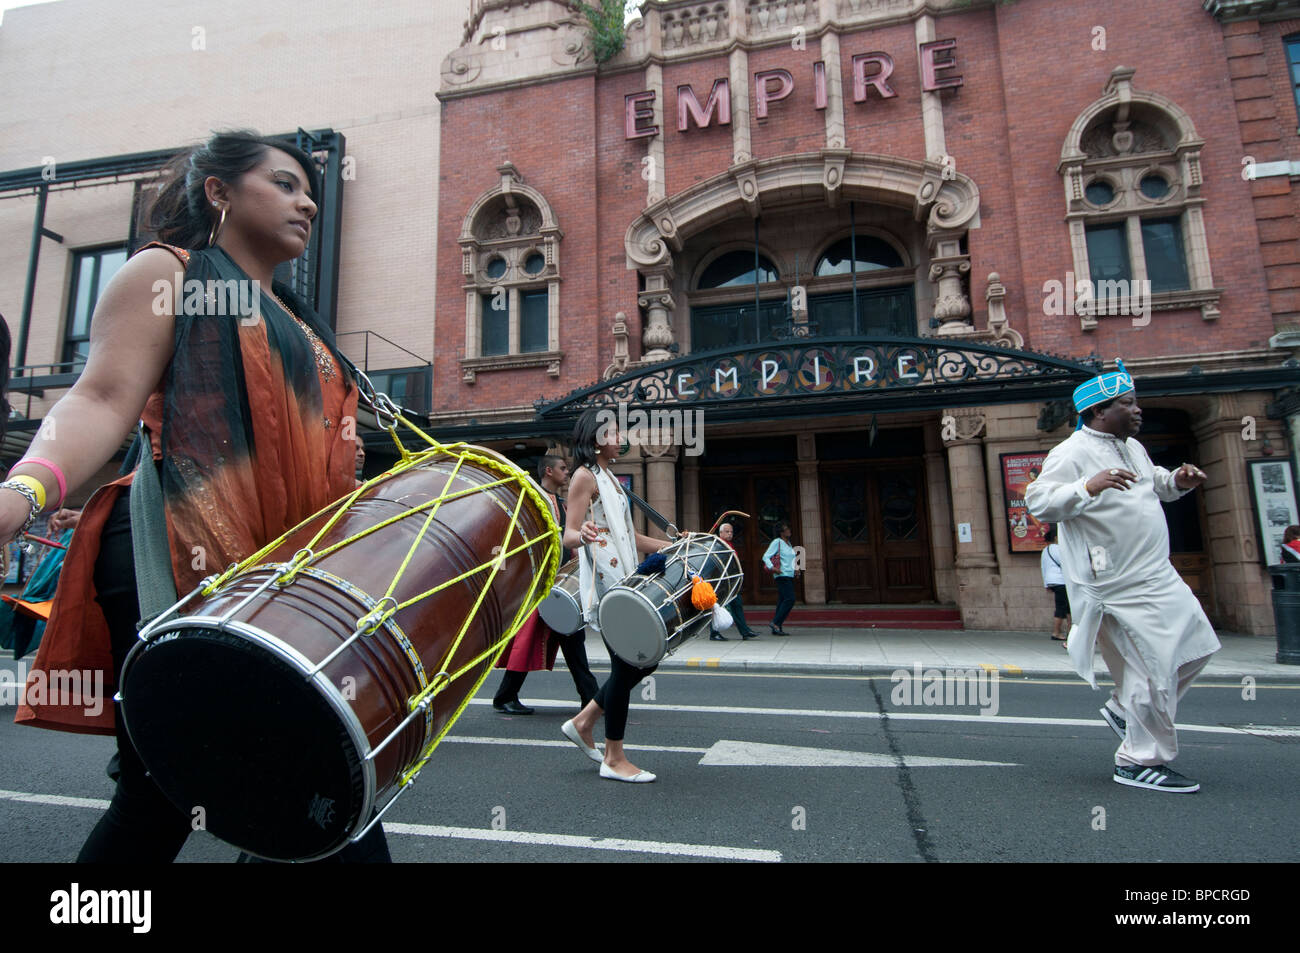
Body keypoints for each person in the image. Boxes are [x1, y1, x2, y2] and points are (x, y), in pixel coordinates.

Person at [6, 130, 390, 860]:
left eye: (310, 189)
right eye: (283, 183)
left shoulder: (308, 328)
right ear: (218, 191)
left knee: (287, 789)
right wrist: (22, 493)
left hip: (279, 575)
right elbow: (100, 397)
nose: (307, 200)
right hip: (171, 555)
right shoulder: (169, 272)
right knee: (173, 795)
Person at [1025, 358, 1218, 794]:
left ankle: (1121, 707)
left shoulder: (1134, 448)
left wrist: (1179, 481)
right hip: (1115, 584)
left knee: (1196, 646)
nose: (1138, 410)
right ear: (1098, 411)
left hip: (1158, 575)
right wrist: (1086, 487)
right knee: (1148, 670)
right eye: (1127, 404)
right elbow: (1038, 502)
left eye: (1136, 402)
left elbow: (1155, 486)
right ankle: (1138, 759)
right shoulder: (1071, 452)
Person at [559, 409, 669, 782]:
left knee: (640, 661)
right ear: (595, 438)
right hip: (607, 585)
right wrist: (584, 534)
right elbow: (568, 534)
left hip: (625, 579)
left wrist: (671, 543)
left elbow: (630, 537)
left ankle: (585, 721)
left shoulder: (612, 480)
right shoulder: (584, 477)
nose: (621, 436)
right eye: (614, 430)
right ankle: (613, 757)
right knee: (631, 663)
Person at [492, 453, 598, 713]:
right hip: (538, 583)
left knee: (568, 637)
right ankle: (591, 697)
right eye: (563, 468)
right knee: (550, 638)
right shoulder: (530, 499)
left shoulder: (562, 504)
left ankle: (589, 696)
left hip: (558, 582)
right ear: (548, 471)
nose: (567, 473)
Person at [710, 521, 758, 641]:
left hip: (731, 580)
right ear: (720, 533)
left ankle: (745, 631)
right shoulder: (718, 544)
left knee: (736, 604)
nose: (730, 534)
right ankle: (714, 633)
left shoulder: (729, 544)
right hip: (721, 581)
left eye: (731, 532)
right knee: (718, 606)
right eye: (727, 532)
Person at [762, 522, 797, 635]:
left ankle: (777, 628)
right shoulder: (777, 542)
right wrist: (773, 568)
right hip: (781, 575)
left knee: (782, 600)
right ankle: (776, 622)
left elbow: (789, 558)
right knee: (790, 599)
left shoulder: (788, 543)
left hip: (789, 575)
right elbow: (765, 556)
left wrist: (795, 569)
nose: (789, 530)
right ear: (781, 532)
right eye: (786, 528)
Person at [1039, 524, 1070, 643]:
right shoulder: (1058, 549)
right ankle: (1057, 632)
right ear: (1056, 537)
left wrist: (1046, 583)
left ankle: (1068, 630)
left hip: (1052, 581)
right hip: (1061, 581)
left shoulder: (1045, 550)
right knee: (1063, 608)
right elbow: (1065, 564)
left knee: (1064, 606)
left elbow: (1043, 567)